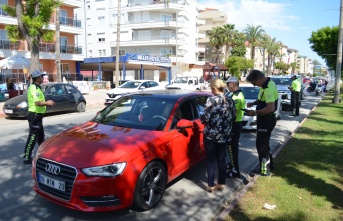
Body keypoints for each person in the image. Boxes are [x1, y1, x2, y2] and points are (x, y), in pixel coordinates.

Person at [200, 78, 236, 192]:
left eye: (211, 89)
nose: (211, 91)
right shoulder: (230, 100)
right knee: (221, 160)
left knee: (210, 160)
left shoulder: (212, 100)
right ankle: (221, 183)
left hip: (211, 135)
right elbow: (233, 117)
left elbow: (205, 118)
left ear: (215, 88)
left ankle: (210, 185)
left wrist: (204, 119)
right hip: (224, 135)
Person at [246, 70, 278, 176]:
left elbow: (270, 108)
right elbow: (262, 99)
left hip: (266, 119)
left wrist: (255, 112)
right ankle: (270, 166)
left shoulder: (268, 87)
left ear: (259, 78)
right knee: (264, 143)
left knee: (261, 145)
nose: (254, 86)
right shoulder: (266, 85)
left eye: (254, 83)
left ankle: (264, 171)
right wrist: (253, 103)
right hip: (264, 119)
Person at [23, 70, 55, 164]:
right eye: (41, 76)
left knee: (40, 137)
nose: (43, 78)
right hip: (35, 115)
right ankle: (26, 156)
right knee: (33, 137)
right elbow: (37, 103)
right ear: (38, 78)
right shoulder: (34, 88)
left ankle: (44, 154)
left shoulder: (37, 87)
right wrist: (48, 103)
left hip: (38, 116)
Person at [225, 76, 245, 178]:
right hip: (236, 123)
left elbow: (234, 113)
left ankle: (236, 170)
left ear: (232, 84)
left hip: (234, 124)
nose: (228, 87)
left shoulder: (236, 97)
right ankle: (232, 164)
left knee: (232, 147)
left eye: (228, 85)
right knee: (231, 147)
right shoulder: (237, 94)